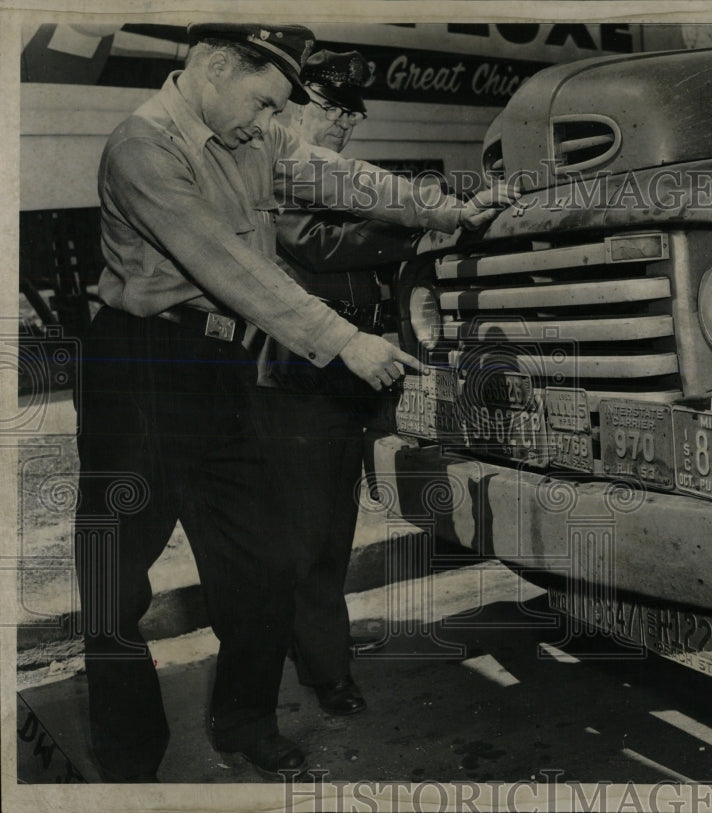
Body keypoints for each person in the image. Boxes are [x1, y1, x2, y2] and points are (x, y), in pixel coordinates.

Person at [75, 22, 516, 782]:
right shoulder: (141, 146)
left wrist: (446, 208)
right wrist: (345, 340)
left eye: (280, 108)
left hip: (219, 367)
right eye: (264, 101)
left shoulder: (255, 138)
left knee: (265, 565)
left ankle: (243, 719)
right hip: (139, 369)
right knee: (114, 582)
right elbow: (233, 267)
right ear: (213, 67)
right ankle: (127, 759)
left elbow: (349, 180)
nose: (272, 121)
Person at [256, 50, 423, 718]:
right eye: (331, 108)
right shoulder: (275, 167)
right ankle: (327, 669)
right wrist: (411, 228)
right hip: (301, 374)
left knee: (335, 524)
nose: (344, 124)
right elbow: (318, 246)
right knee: (312, 535)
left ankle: (313, 641)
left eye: (352, 114)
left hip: (351, 375)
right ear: (295, 106)